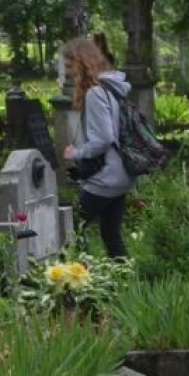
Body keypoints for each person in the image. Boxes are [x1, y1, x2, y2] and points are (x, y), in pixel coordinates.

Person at [61, 36, 134, 259]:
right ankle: (124, 277)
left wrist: (77, 153)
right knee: (111, 234)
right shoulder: (113, 89)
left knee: (70, 231)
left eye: (70, 66)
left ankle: (74, 276)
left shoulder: (95, 93)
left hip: (105, 177)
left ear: (82, 63)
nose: (68, 73)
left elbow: (103, 139)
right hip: (122, 175)